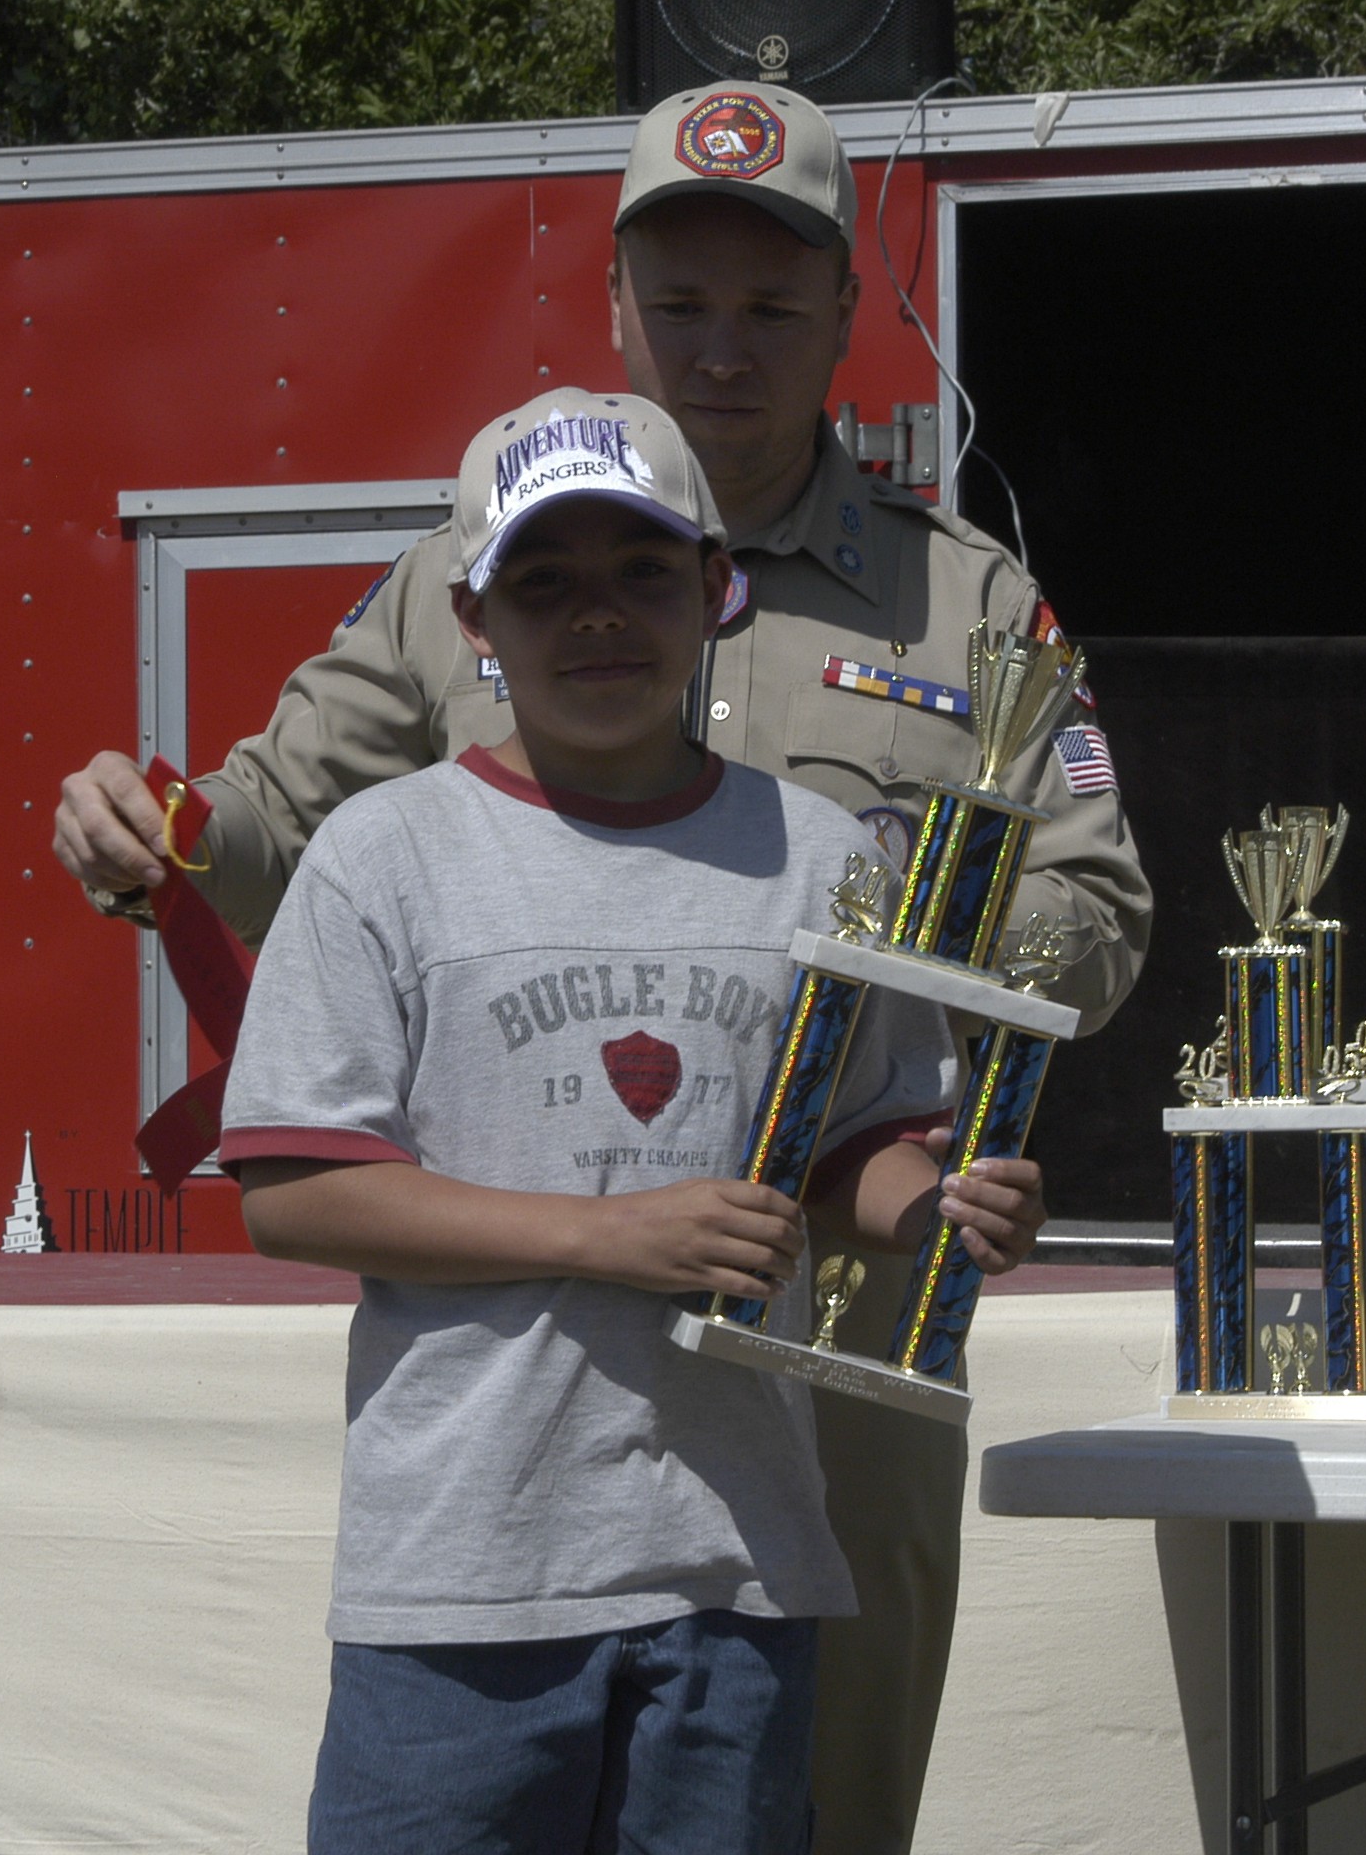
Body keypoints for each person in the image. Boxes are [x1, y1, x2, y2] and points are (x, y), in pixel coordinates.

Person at [56, 83, 1151, 1850]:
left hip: (844, 1333)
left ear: (844, 315)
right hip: (526, 1395)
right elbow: (271, 826)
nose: (723, 348)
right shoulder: (469, 569)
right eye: (682, 302)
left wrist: (894, 927)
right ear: (619, 307)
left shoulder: (966, 605)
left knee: (824, 1793)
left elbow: (1096, 917)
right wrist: (155, 830)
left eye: (771, 305)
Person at [223, 389, 1047, 1853]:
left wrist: (939, 1210)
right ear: (472, 617)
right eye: (543, 582)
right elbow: (295, 1188)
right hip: (463, 1578)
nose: (597, 615)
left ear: (717, 590)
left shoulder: (819, 856)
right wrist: (608, 1237)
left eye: (644, 571)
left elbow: (857, 1145)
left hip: (738, 1565)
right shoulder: (382, 856)